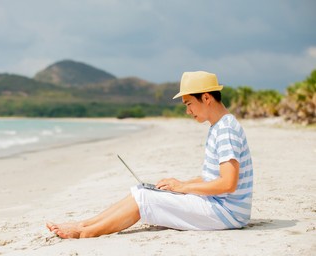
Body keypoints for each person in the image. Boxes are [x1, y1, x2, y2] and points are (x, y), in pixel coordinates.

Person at [46, 71, 253, 238]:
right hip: (221, 207)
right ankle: (84, 223)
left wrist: (183, 187)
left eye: (189, 103)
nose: (188, 111)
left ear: (206, 98)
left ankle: (85, 233)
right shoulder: (218, 126)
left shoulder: (225, 129)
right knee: (141, 190)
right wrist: (179, 185)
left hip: (227, 213)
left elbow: (228, 184)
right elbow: (211, 178)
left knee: (145, 198)